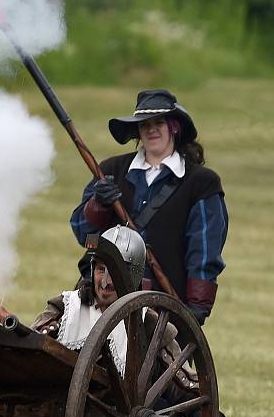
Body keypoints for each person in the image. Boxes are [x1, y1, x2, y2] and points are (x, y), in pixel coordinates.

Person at [25, 225, 228, 417]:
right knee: (48, 414)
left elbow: (189, 392)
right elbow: (36, 346)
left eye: (114, 272)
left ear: (131, 276)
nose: (105, 282)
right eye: (101, 269)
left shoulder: (148, 325)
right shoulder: (66, 309)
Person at [70, 89, 228, 325]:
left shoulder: (201, 183)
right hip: (103, 295)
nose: (151, 129)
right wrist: (98, 205)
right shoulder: (111, 170)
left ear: (174, 126)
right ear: (137, 130)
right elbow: (85, 235)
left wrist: (196, 307)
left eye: (159, 122)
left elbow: (204, 249)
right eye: (145, 124)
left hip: (162, 303)